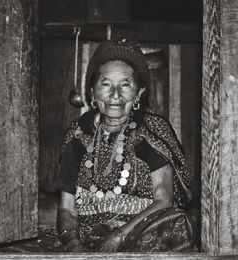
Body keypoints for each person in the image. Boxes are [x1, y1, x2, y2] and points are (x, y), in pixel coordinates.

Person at [56, 38, 195, 252]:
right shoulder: (77, 135)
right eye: (106, 84)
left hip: (140, 233)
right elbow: (67, 208)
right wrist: (73, 244)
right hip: (88, 236)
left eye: (125, 84)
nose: (115, 95)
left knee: (178, 224)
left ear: (139, 93)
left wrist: (120, 235)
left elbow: (164, 199)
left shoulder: (152, 131)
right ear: (92, 91)